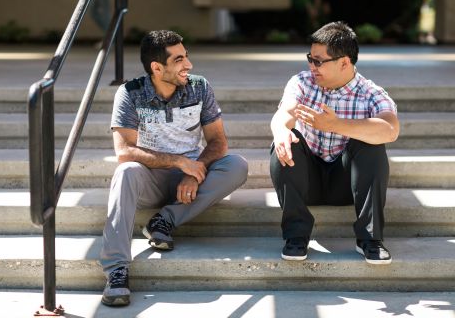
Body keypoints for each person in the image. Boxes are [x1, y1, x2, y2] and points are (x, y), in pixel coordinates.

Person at [99, 30, 248, 306]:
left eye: (187, 56)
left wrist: (195, 170)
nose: (188, 65)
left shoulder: (199, 87)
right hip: (150, 179)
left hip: (191, 177)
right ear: (157, 68)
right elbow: (125, 151)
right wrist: (179, 161)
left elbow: (218, 142)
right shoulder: (130, 93)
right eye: (179, 60)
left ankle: (165, 219)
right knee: (125, 171)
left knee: (236, 165)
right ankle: (116, 269)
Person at [269, 21, 399, 266]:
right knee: (286, 140)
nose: (312, 66)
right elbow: (284, 114)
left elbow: (390, 130)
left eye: (319, 61)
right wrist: (279, 132)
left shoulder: (371, 93)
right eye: (310, 58)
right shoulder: (302, 82)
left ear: (344, 62)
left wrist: (335, 125)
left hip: (346, 184)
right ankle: (296, 236)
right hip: (308, 181)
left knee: (371, 141)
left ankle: (370, 239)